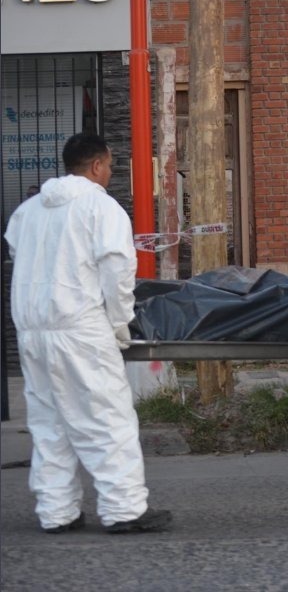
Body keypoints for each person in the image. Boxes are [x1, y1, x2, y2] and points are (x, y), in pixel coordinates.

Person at [4, 133, 172, 534]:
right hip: (80, 326)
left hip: (32, 330)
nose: (111, 174)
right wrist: (119, 324)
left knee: (50, 423)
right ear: (97, 165)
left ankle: (57, 511)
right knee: (106, 419)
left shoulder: (26, 212)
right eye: (111, 166)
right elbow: (117, 270)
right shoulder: (102, 208)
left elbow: (17, 255)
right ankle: (123, 510)